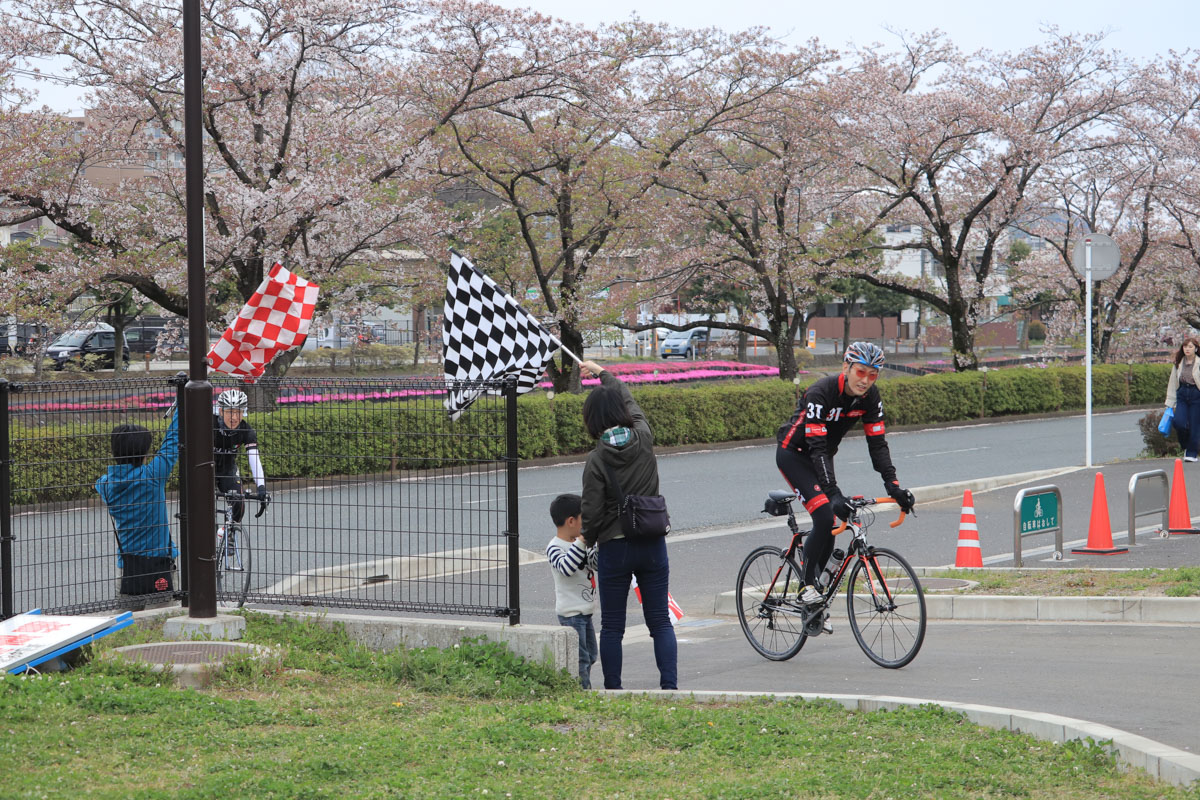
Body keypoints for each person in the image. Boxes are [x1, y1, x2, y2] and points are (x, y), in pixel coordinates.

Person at [775, 342, 916, 631]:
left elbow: (877, 444)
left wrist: (894, 486)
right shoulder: (821, 392)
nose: (865, 380)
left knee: (831, 518)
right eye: (860, 372)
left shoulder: (870, 398)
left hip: (822, 457)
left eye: (873, 375)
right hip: (794, 454)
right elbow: (816, 447)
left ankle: (813, 600)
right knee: (826, 514)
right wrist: (833, 492)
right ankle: (806, 587)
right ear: (846, 368)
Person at [578, 359, 677, 691]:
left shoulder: (596, 460)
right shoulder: (644, 437)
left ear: (592, 420)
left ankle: (614, 689)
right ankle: (670, 687)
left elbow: (590, 513)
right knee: (660, 622)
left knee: (612, 627)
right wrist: (603, 373)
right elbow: (630, 400)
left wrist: (587, 541)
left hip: (614, 548)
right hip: (651, 541)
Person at [95, 408, 180, 597]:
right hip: (160, 563)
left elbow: (99, 483)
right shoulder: (153, 476)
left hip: (128, 568)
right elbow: (172, 442)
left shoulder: (106, 485)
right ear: (143, 453)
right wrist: (182, 404)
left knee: (128, 621)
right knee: (162, 617)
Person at [546, 493, 598, 689]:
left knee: (591, 655)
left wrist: (596, 544)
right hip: (571, 613)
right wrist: (582, 541)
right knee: (580, 659)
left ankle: (582, 688)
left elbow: (595, 564)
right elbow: (566, 568)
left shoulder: (581, 544)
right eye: (583, 519)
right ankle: (582, 693)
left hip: (586, 610)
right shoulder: (554, 547)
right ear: (571, 521)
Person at [213, 389, 270, 520]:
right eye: (229, 412)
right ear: (221, 411)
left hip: (227, 471)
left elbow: (254, 459)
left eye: (238, 412)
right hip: (205, 470)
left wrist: (261, 487)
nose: (234, 417)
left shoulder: (246, 430)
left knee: (239, 505)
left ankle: (228, 535)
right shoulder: (210, 424)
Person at [1165, 337, 1200, 462]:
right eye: (1185, 346)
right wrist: (1170, 402)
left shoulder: (1199, 362)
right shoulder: (1178, 363)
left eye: (1190, 347)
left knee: (1195, 426)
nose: (1187, 349)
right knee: (1179, 422)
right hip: (1182, 394)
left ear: (1196, 349)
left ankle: (1191, 453)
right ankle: (1185, 445)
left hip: (1196, 394)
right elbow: (1173, 382)